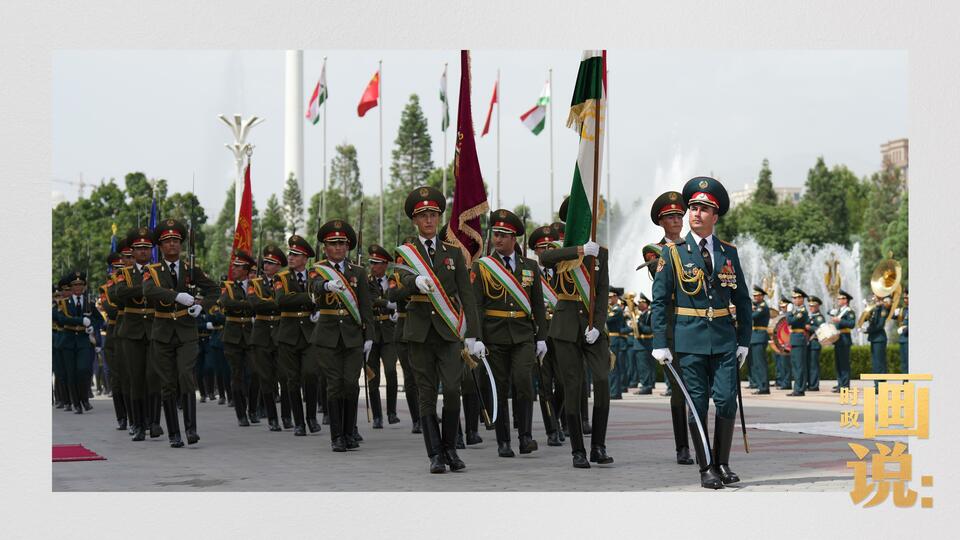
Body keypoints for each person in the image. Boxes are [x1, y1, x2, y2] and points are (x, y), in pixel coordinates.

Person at [650, 176, 751, 489]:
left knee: (727, 400)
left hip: (723, 339)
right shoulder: (673, 253)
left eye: (704, 209)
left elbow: (743, 300)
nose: (696, 213)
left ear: (715, 216)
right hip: (689, 340)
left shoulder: (728, 252)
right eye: (692, 207)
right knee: (697, 404)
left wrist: (744, 341)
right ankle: (707, 467)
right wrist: (659, 342)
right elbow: (659, 301)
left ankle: (723, 462)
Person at [394, 186, 481, 474]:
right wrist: (413, 283)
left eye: (433, 214)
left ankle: (450, 448)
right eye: (423, 216)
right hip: (419, 333)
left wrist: (474, 334)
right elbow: (393, 291)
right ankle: (435, 454)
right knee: (426, 393)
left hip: (448, 331)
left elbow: (467, 295)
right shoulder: (406, 254)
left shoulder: (453, 253)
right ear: (414, 221)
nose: (429, 220)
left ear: (439, 218)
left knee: (453, 389)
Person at [537, 196, 612, 469]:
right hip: (566, 326)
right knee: (572, 386)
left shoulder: (600, 253)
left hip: (593, 327)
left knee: (602, 382)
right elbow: (544, 258)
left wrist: (598, 326)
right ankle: (578, 450)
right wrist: (579, 249)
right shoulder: (560, 249)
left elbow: (602, 292)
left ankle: (598, 446)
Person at [471, 209, 548, 458]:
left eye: (504, 235)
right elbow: (476, 305)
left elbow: (538, 305)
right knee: (499, 388)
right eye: (496, 234)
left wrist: (542, 337)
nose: (498, 239)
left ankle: (525, 437)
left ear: (514, 238)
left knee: (524, 382)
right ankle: (503, 440)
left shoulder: (530, 266)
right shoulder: (483, 267)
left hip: (523, 335)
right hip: (494, 336)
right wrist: (476, 338)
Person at [142, 219, 220, 448]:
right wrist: (176, 296)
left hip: (186, 331)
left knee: (186, 376)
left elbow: (215, 289)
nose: (172, 244)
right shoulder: (152, 271)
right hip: (163, 332)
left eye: (176, 240)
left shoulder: (190, 269)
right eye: (167, 241)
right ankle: (174, 434)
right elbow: (149, 291)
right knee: (168, 382)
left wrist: (202, 306)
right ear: (160, 246)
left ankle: (191, 429)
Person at [309, 219, 374, 452]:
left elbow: (366, 305)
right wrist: (327, 286)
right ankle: (337, 436)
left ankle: (349, 432)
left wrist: (369, 336)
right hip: (327, 336)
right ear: (325, 247)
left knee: (351, 384)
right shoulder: (317, 269)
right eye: (332, 243)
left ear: (347, 247)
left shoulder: (358, 272)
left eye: (341, 244)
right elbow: (314, 285)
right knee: (334, 385)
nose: (337, 248)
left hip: (353, 336)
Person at [643, 191, 694, 464]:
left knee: (697, 387)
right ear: (661, 222)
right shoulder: (655, 250)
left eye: (679, 215)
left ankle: (700, 441)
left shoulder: (693, 246)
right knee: (679, 388)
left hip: (696, 323)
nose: (676, 220)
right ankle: (682, 446)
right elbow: (663, 278)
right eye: (670, 217)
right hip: (673, 325)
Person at [274, 235, 322, 436]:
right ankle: (299, 422)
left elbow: (323, 297)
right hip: (289, 334)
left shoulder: (315, 276)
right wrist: (310, 298)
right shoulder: (281, 278)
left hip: (310, 333)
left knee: (311, 374)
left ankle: (311, 417)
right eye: (290, 254)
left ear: (305, 258)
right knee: (292, 379)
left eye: (296, 255)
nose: (291, 258)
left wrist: (317, 308)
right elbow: (281, 301)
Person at [248, 244, 287, 431]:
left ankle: (286, 416)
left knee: (285, 377)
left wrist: (271, 303)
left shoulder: (285, 281)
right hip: (261, 334)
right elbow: (254, 304)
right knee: (266, 378)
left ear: (278, 265)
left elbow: (286, 302)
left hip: (281, 332)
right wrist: (276, 303)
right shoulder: (254, 283)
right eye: (265, 262)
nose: (266, 266)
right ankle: (272, 418)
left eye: (271, 263)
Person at [387, 237, 422, 434]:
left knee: (425, 375)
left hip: (423, 328)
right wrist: (414, 284)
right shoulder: (396, 275)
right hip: (404, 329)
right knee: (410, 376)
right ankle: (416, 418)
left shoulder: (426, 271)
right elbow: (392, 295)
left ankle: (427, 412)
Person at [219, 250, 258, 427]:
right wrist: (248, 304)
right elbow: (226, 302)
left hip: (251, 335)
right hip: (232, 337)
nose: (233, 269)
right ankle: (241, 413)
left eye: (238, 266)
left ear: (246, 270)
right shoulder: (227, 286)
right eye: (233, 266)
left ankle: (253, 409)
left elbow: (261, 303)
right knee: (237, 375)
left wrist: (246, 305)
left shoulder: (255, 285)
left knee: (255, 373)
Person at [366, 244, 401, 429]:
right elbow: (371, 300)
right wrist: (389, 304)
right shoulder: (366, 281)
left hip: (388, 332)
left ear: (385, 264)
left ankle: (392, 412)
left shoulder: (394, 280)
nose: (373, 266)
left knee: (390, 371)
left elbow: (401, 298)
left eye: (377, 263)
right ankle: (377, 416)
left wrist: (397, 310)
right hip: (372, 331)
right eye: (371, 262)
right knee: (373, 376)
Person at [830, 289, 856, 392]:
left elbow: (852, 324)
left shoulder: (849, 311)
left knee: (844, 364)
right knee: (838, 363)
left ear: (845, 300)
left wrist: (840, 320)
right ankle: (840, 384)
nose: (838, 300)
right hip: (838, 339)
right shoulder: (839, 311)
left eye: (840, 299)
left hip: (844, 339)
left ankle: (845, 385)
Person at [786, 288, 809, 397]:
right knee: (795, 365)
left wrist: (789, 312)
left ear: (801, 299)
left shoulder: (802, 311)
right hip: (795, 339)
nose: (794, 300)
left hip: (799, 339)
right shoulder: (798, 311)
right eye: (794, 298)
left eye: (796, 298)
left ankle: (800, 389)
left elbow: (790, 321)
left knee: (799, 366)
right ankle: (797, 388)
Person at [865, 294, 891, 391]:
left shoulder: (883, 309)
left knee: (880, 363)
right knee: (875, 363)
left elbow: (880, 325)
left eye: (875, 295)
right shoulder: (875, 309)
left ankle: (881, 385)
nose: (873, 297)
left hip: (879, 338)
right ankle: (877, 385)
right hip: (874, 338)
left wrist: (868, 330)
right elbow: (869, 320)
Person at [749, 286, 771, 395]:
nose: (755, 297)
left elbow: (753, 316)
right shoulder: (757, 306)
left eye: (757, 296)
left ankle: (764, 387)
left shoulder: (763, 307)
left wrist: (749, 309)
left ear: (762, 296)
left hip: (760, 336)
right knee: (756, 364)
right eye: (754, 296)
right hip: (755, 337)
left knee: (760, 363)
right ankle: (760, 385)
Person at [806, 296, 826, 391]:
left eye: (813, 306)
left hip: (814, 343)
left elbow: (821, 329)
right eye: (810, 306)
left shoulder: (819, 318)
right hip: (808, 343)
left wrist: (810, 328)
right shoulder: (810, 317)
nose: (811, 308)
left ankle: (814, 385)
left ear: (817, 306)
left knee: (813, 365)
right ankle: (810, 383)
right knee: (808, 364)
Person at [775, 297, 792, 390]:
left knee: (786, 364)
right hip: (779, 343)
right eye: (781, 307)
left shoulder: (788, 317)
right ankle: (781, 381)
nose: (782, 308)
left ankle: (787, 383)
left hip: (786, 343)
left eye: (784, 307)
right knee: (780, 364)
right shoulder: (781, 316)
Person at [895, 290, 908, 373]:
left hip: (908, 339)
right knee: (904, 363)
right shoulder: (903, 310)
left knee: (908, 362)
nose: (905, 300)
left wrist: (905, 329)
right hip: (902, 339)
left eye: (907, 298)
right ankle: (905, 380)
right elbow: (891, 316)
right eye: (904, 298)